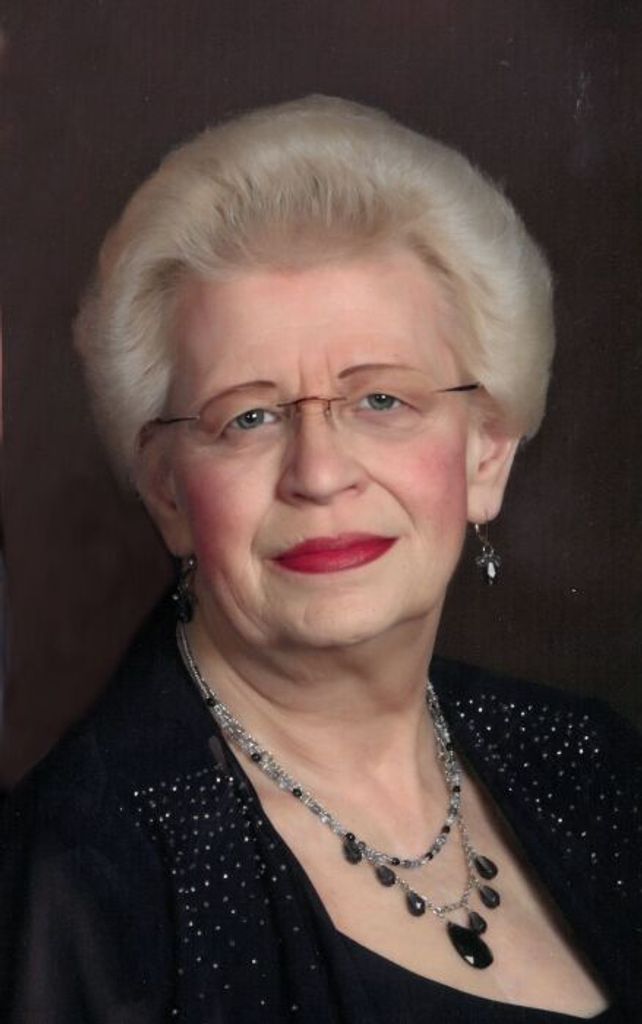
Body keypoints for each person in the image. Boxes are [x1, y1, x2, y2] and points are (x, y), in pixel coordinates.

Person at [1, 96, 640, 1023]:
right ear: (169, 492)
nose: (319, 474)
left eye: (381, 401)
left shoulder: (596, 761)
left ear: (487, 454)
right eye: (249, 417)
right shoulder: (80, 880)